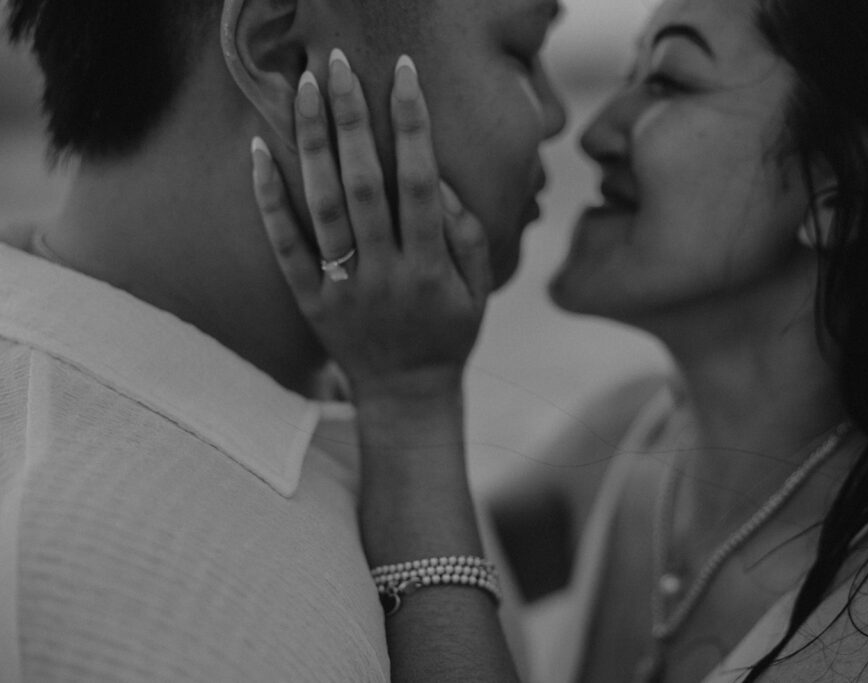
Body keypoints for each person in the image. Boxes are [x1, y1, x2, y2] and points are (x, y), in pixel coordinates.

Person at [253, 0, 868, 680]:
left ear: (838, 189)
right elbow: (352, 555)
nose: (591, 133)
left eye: (669, 81)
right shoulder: (632, 443)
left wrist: (412, 397)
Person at [0, 0, 564, 680]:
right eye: (523, 52)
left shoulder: (363, 357)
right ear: (283, 57)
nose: (561, 114)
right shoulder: (69, 587)